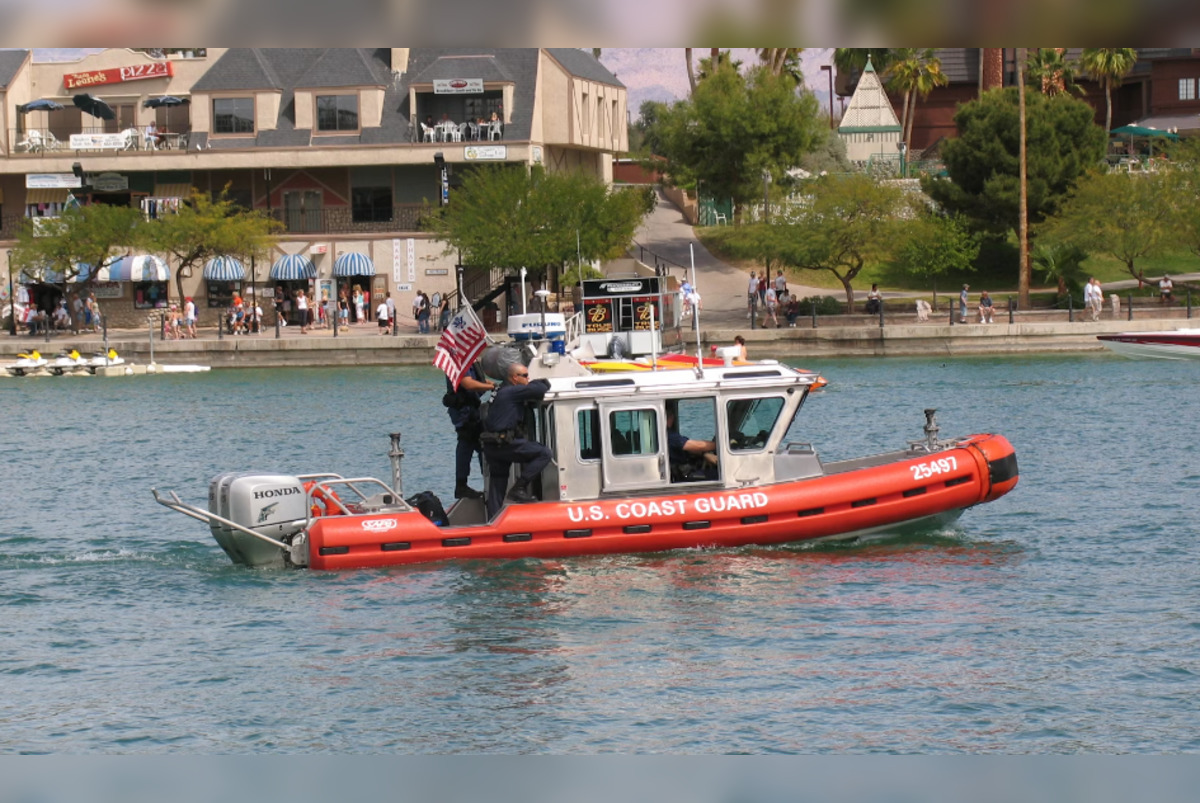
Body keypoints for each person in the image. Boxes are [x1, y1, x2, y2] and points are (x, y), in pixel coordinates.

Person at [481, 362, 551, 515]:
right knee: (544, 453)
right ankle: (519, 488)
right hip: (505, 443)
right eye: (525, 376)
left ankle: (493, 521)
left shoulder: (501, 390)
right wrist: (544, 380)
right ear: (514, 377)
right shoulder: (512, 391)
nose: (528, 378)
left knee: (497, 485)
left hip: (492, 446)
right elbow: (540, 389)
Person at [445, 360, 496, 500]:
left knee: (480, 446)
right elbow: (468, 383)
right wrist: (489, 387)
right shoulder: (460, 361)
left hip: (471, 409)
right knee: (467, 443)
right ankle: (462, 485)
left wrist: (490, 384)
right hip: (464, 412)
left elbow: (476, 380)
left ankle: (487, 480)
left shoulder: (470, 360)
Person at [666, 406, 718, 482]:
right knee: (716, 475)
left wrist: (705, 454)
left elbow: (690, 449)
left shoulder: (667, 434)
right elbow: (693, 445)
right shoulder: (669, 435)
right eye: (671, 416)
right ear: (670, 418)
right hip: (681, 475)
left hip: (681, 472)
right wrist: (720, 445)